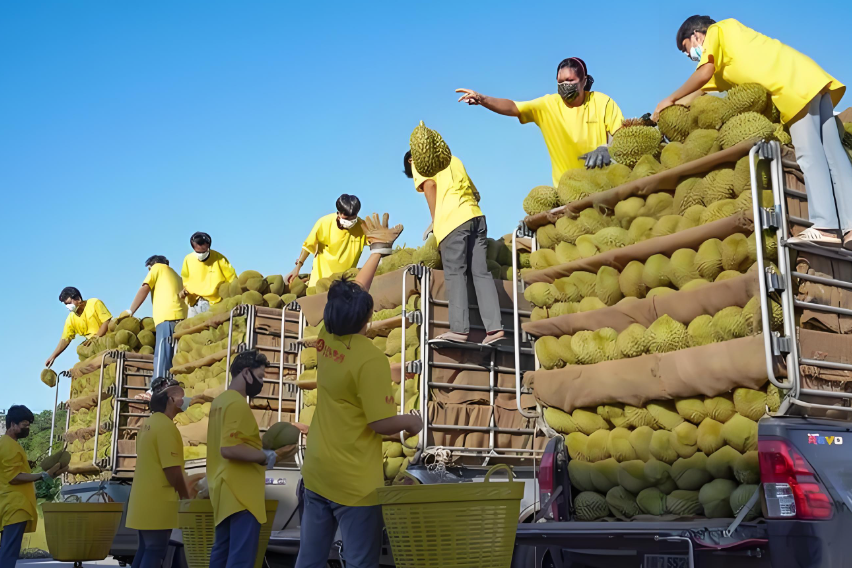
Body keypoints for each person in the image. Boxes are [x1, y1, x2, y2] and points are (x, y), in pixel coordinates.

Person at [652, 15, 849, 249]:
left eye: (687, 48)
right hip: (809, 77)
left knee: (809, 153)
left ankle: (825, 225)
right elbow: (702, 89)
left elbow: (704, 73)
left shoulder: (717, 30)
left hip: (792, 86)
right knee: (834, 155)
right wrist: (665, 110)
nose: (688, 55)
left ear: (697, 34)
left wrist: (669, 98)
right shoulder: (730, 55)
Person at [295, 212, 420, 568]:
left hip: (318, 472)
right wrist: (411, 423)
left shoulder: (324, 337)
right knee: (361, 562)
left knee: (310, 559)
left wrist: (376, 253)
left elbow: (351, 298)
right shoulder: (370, 360)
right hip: (353, 484)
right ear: (367, 320)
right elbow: (380, 424)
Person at [457, 58, 625, 186]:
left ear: (584, 80)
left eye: (570, 81)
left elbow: (623, 136)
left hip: (603, 183)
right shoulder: (548, 105)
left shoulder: (602, 102)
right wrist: (482, 99)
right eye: (560, 82)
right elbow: (513, 107)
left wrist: (606, 149)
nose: (565, 85)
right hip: (567, 189)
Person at [404, 149, 505, 344]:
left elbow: (430, 185)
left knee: (455, 273)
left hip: (452, 222)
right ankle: (494, 330)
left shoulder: (421, 159)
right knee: (481, 272)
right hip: (476, 216)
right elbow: (476, 194)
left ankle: (459, 330)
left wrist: (435, 220)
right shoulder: (454, 159)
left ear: (410, 160)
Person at [207, 350, 298, 568]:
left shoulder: (219, 402)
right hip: (241, 494)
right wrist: (269, 456)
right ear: (246, 373)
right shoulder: (236, 404)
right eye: (260, 376)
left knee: (222, 552)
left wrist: (260, 445)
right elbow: (229, 449)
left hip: (223, 489)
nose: (262, 382)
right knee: (241, 558)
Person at [125, 377, 189, 568]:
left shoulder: (148, 424)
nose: (185, 401)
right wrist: (187, 497)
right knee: (155, 551)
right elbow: (171, 471)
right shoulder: (166, 427)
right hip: (158, 502)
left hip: (144, 500)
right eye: (181, 397)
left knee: (146, 549)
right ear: (170, 399)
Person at [0, 406, 67, 568]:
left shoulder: (8, 443)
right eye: (24, 425)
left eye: (29, 425)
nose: (27, 428)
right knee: (9, 553)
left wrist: (27, 465)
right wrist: (42, 475)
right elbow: (14, 478)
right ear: (12, 424)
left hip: (10, 505)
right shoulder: (10, 446)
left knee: (6, 550)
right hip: (15, 507)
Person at [121, 256, 188, 379]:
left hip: (167, 317)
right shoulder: (177, 276)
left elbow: (145, 288)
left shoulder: (157, 268)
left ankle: (156, 388)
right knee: (174, 357)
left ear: (153, 264)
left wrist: (130, 310)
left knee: (162, 356)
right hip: (182, 319)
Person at [285, 194, 367, 288]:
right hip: (320, 282)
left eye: (353, 218)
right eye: (346, 218)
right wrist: (297, 267)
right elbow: (308, 246)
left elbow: (376, 242)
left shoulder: (362, 226)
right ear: (339, 213)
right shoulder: (324, 223)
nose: (350, 221)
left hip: (344, 284)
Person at [44, 287, 112, 368]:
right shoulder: (71, 319)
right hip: (92, 347)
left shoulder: (94, 303)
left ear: (78, 299)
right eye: (66, 304)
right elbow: (65, 339)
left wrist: (96, 337)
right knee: (80, 350)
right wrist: (53, 356)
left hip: (107, 340)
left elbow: (106, 321)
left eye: (69, 303)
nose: (68, 306)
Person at [180, 232, 237, 318]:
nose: (201, 254)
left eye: (204, 251)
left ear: (208, 246)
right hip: (193, 302)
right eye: (198, 252)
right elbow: (185, 279)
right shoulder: (188, 259)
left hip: (213, 303)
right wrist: (185, 291)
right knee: (191, 329)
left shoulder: (219, 258)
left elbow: (232, 278)